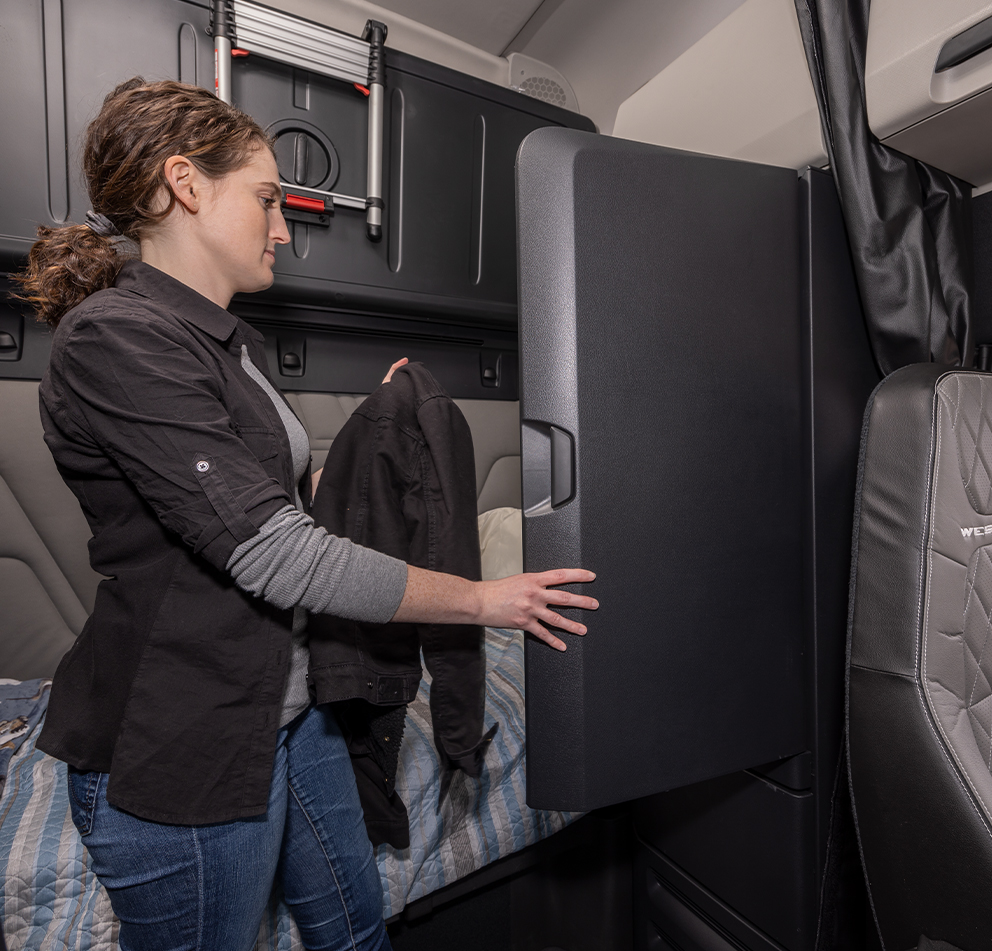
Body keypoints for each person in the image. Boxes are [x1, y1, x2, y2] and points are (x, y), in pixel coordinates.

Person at [15, 77, 598, 951]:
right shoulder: (116, 337)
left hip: (291, 708)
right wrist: (484, 600)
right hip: (186, 735)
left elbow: (280, 493)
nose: (283, 227)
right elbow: (275, 552)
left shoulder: (231, 340)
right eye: (267, 198)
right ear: (186, 184)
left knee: (356, 931)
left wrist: (379, 432)